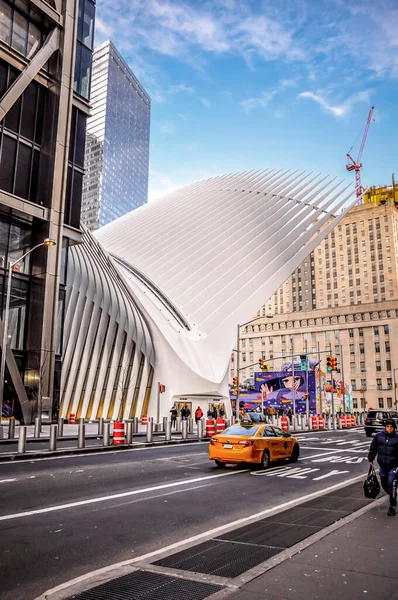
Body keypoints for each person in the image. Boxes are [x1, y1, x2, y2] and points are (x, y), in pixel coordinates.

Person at [368, 419, 398, 516]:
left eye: (391, 427)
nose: (389, 429)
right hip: (383, 466)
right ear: (385, 427)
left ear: (394, 427)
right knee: (385, 485)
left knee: (391, 483)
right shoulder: (378, 436)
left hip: (394, 466)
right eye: (388, 427)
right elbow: (373, 448)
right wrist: (370, 458)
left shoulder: (397, 437)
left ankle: (392, 506)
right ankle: (393, 496)